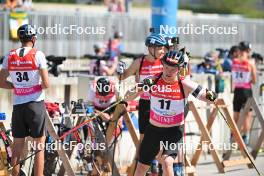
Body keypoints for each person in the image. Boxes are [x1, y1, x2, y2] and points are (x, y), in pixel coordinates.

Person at [124, 50, 217, 176]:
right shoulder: (153, 80)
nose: (168, 71)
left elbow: (208, 97)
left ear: (179, 69)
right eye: (166, 67)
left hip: (173, 131)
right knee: (141, 167)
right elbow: (127, 97)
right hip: (153, 130)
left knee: (167, 162)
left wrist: (211, 96)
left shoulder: (184, 84)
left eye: (173, 69)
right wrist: (139, 87)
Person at [0, 24, 49, 176]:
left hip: (18, 105)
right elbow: (46, 84)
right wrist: (33, 88)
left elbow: (1, 81)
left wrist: (17, 87)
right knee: (39, 146)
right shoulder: (38, 54)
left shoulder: (10, 55)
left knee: (17, 146)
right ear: (33, 39)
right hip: (35, 105)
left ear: (20, 38)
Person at [232, 41, 257, 145]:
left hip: (237, 90)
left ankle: (233, 136)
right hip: (246, 91)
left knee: (236, 115)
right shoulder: (251, 63)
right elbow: (254, 80)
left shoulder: (234, 61)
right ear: (248, 50)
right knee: (247, 116)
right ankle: (245, 138)